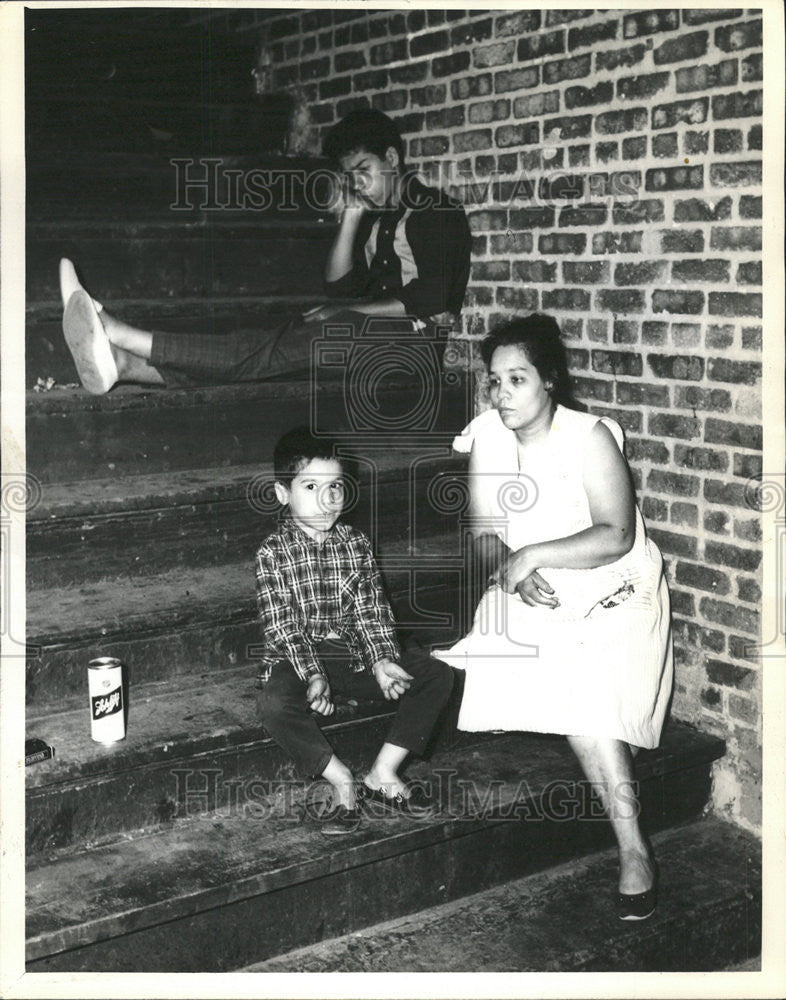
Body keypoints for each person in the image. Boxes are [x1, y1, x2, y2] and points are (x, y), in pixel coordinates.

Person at [434, 314, 673, 920]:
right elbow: (485, 531)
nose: (502, 394)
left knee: (584, 688)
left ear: (550, 382)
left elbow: (617, 535)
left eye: (517, 379)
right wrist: (514, 566)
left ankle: (633, 849)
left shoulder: (589, 435)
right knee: (552, 673)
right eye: (494, 381)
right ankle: (627, 819)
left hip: (613, 578)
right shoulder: (489, 434)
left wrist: (531, 554)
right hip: (531, 578)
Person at [57, 109, 471, 393]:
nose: (357, 182)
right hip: (372, 338)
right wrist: (350, 216)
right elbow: (341, 287)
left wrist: (348, 314)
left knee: (274, 348)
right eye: (350, 176)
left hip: (415, 350)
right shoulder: (378, 217)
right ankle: (126, 367)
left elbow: (431, 297)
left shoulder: (434, 211)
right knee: (269, 347)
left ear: (392, 159)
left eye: (364, 171)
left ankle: (120, 332)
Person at [254, 426, 454, 835]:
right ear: (282, 493)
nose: (328, 499)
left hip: (352, 653)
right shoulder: (271, 554)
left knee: (437, 675)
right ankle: (342, 779)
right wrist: (312, 675)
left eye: (336, 487)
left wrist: (381, 660)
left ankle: (383, 773)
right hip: (298, 657)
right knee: (273, 706)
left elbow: (371, 610)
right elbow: (284, 627)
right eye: (311, 486)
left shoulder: (356, 543)